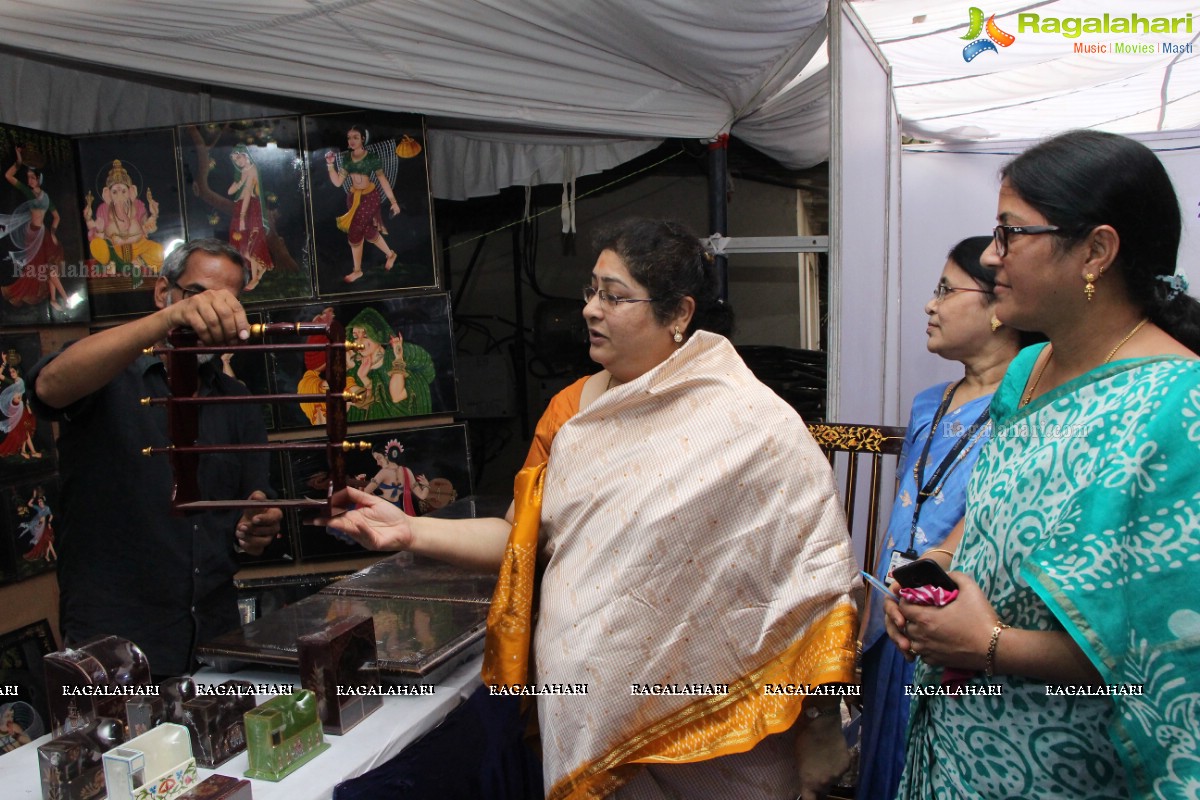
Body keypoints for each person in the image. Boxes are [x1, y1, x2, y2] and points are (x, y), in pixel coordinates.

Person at [320, 218, 860, 799]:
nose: (590, 310)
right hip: (588, 713)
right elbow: (521, 542)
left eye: (615, 295)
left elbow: (816, 584)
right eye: (591, 291)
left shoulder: (752, 423)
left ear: (678, 314)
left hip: (716, 723)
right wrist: (410, 531)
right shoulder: (572, 413)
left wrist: (822, 724)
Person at [885, 130, 1200, 799]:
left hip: (1072, 768)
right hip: (961, 745)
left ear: (1095, 251)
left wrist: (990, 645)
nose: (993, 258)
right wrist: (936, 568)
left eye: (1010, 234)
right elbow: (989, 515)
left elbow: (1170, 657)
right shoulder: (1027, 371)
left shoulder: (1180, 404)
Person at [27, 238, 282, 677]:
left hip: (213, 639)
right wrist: (170, 320)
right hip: (113, 645)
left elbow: (256, 495)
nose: (210, 314)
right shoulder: (109, 379)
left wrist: (259, 518)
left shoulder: (237, 399)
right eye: (199, 297)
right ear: (164, 292)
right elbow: (49, 386)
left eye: (227, 302)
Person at [857, 236, 1032, 800]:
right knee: (884, 759)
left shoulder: (1031, 405)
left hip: (961, 631)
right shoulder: (929, 401)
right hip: (896, 619)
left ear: (999, 306)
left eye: (945, 290)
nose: (930, 306)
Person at [323, 124, 401, 283]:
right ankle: (390, 254)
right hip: (353, 198)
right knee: (366, 230)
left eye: (355, 137)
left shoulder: (371, 157)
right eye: (349, 138)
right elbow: (338, 182)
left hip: (369, 197)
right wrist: (330, 165)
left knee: (355, 229)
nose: (351, 141)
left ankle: (357, 270)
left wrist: (393, 202)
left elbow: (383, 180)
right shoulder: (346, 159)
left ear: (363, 139)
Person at [1, 147, 67, 309]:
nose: (29, 180)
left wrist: (52, 232)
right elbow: (8, 176)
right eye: (28, 177)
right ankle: (62, 298)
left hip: (44, 234)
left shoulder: (45, 197)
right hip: (32, 234)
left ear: (38, 179)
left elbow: (57, 216)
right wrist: (19, 160)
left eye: (32, 177)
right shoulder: (29, 194)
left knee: (51, 268)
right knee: (43, 269)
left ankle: (55, 299)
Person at [344, 307, 435, 421]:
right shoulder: (353, 370)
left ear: (378, 335)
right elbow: (357, 405)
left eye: (366, 335)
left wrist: (398, 357)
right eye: (356, 337)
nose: (359, 342)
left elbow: (396, 397)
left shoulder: (397, 362)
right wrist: (361, 376)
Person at [84, 158, 164, 278]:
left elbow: (147, 228)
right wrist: (89, 220)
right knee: (96, 245)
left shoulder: (138, 205)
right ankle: (112, 263)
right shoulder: (103, 209)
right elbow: (96, 232)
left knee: (157, 250)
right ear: (107, 194)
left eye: (123, 191)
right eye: (115, 192)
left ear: (131, 191)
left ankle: (138, 262)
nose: (120, 195)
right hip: (114, 250)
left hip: (138, 248)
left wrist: (154, 215)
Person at [226, 144, 274, 291]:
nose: (238, 162)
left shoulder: (252, 170)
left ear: (246, 155)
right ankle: (262, 269)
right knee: (242, 246)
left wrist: (242, 217)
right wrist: (240, 180)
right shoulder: (242, 172)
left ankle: (255, 278)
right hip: (240, 207)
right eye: (235, 160)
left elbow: (247, 194)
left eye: (239, 157)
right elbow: (230, 191)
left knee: (251, 244)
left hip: (249, 209)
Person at [356, 439, 429, 516]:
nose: (377, 463)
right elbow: (422, 496)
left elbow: (363, 495)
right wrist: (426, 485)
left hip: (383, 510)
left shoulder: (383, 473)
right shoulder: (407, 471)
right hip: (398, 510)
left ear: (387, 455)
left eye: (379, 458)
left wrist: (360, 482)